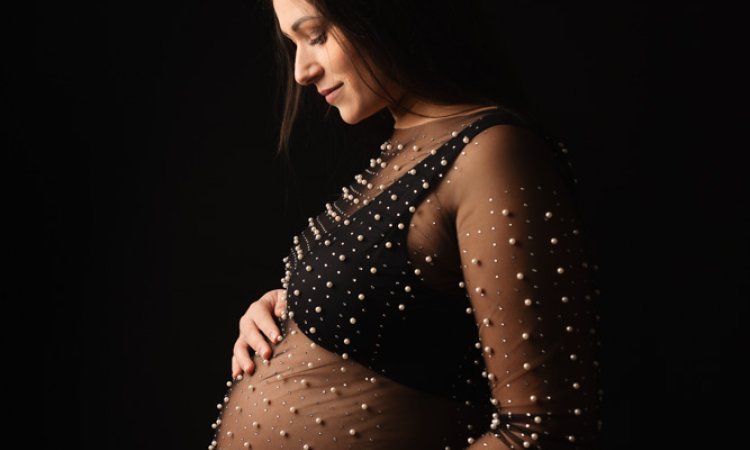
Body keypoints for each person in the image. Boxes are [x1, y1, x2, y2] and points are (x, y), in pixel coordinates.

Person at [208, 0, 602, 448]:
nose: (301, 71)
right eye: (292, 43)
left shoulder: (492, 154)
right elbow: (401, 314)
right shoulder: (399, 149)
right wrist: (290, 309)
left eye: (315, 35)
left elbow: (546, 430)